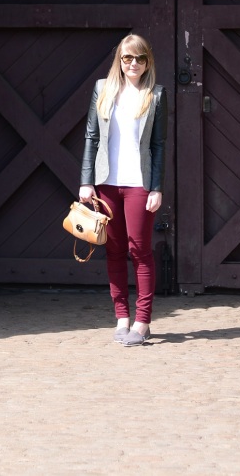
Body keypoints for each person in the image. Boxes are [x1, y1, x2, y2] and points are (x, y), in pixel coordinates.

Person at [79, 34, 167, 347]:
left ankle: (142, 322)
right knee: (114, 250)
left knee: (139, 250)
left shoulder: (156, 95)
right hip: (105, 184)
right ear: (119, 59)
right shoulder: (103, 89)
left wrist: (156, 187)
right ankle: (121, 318)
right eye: (127, 58)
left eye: (139, 59)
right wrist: (86, 180)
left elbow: (158, 145)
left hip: (139, 184)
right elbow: (91, 136)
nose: (133, 64)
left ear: (147, 62)